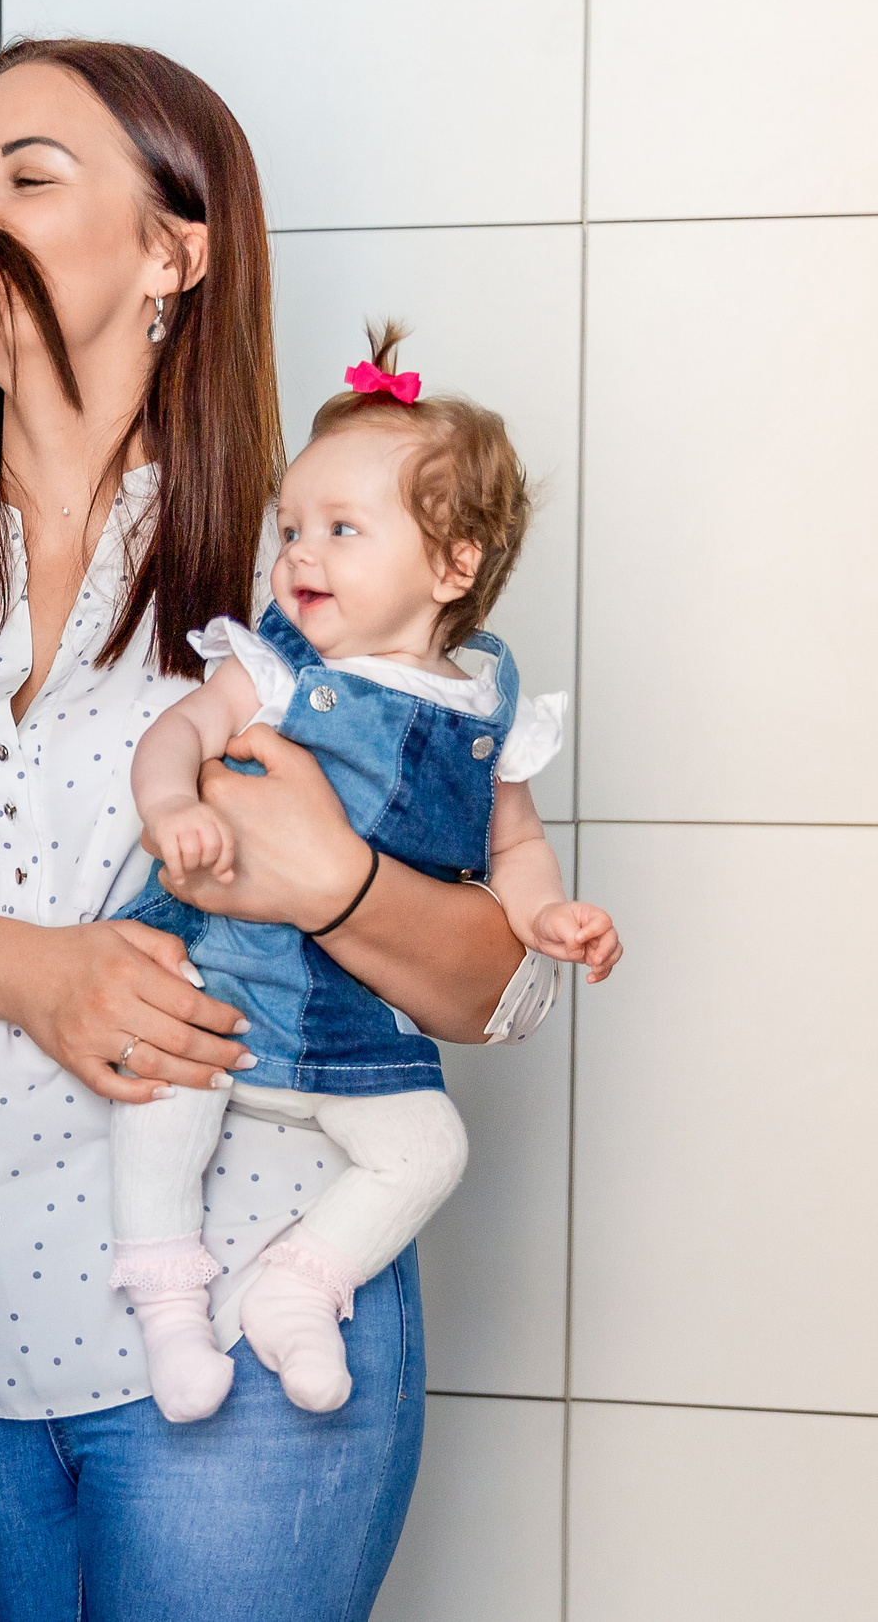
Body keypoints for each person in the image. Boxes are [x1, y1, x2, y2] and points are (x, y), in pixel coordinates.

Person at [0, 39, 562, 1621]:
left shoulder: (294, 560)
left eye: (28, 174)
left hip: (243, 1320)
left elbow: (502, 983)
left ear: (175, 252)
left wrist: (346, 880)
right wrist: (35, 971)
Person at [112, 322, 621, 1423]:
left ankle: (299, 1287)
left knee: (431, 1146)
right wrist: (167, 807)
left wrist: (552, 917)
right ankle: (167, 1308)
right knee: (162, 1099)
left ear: (453, 566)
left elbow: (513, 847)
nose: (299, 555)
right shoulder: (277, 671)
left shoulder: (486, 710)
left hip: (353, 1021)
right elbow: (176, 735)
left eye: (342, 529)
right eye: (291, 527)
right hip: (222, 984)